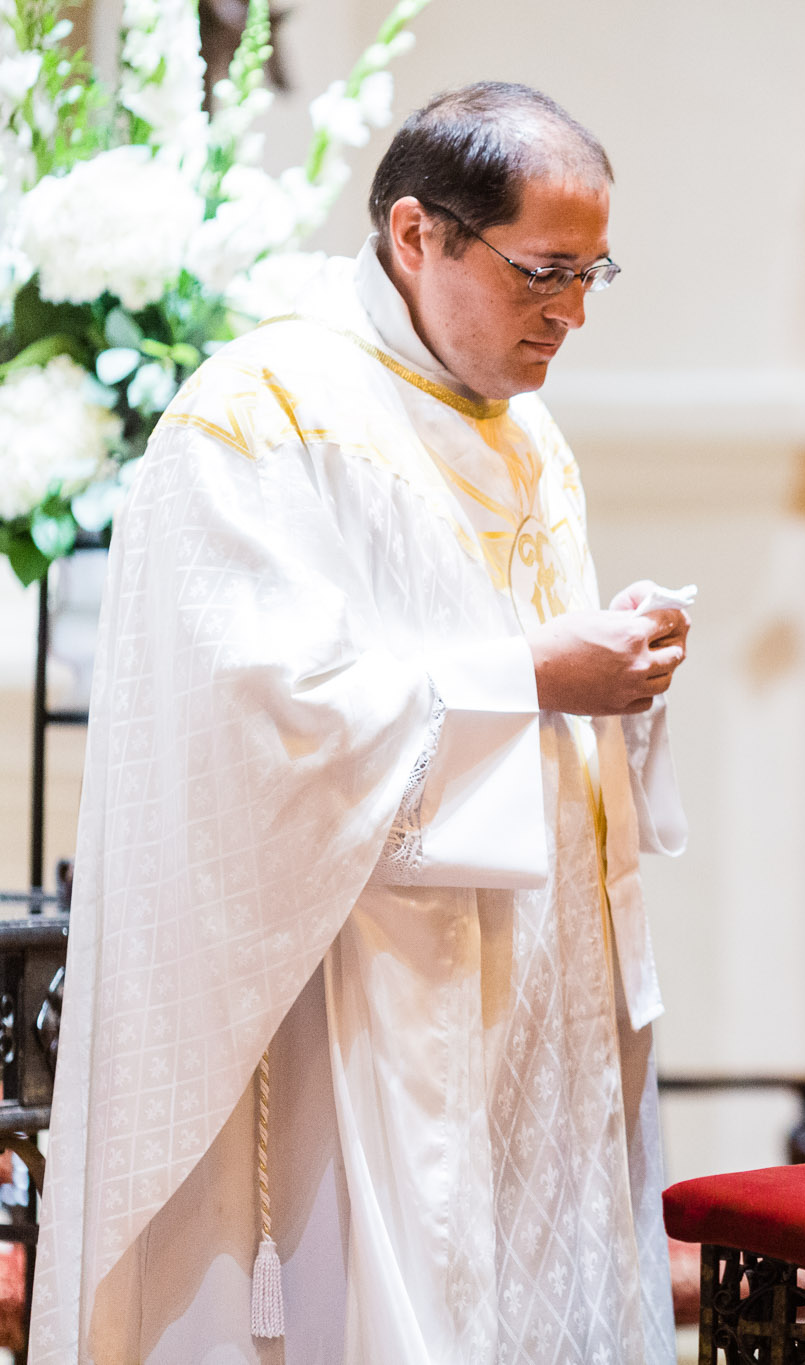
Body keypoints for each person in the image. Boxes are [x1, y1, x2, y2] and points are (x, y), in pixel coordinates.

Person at [33, 83, 688, 1364]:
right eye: (544, 272)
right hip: (356, 980)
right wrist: (533, 675)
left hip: (530, 978)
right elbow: (257, 714)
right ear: (415, 235)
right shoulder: (263, 411)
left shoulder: (531, 437)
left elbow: (531, 675)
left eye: (593, 271)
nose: (574, 311)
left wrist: (615, 667)